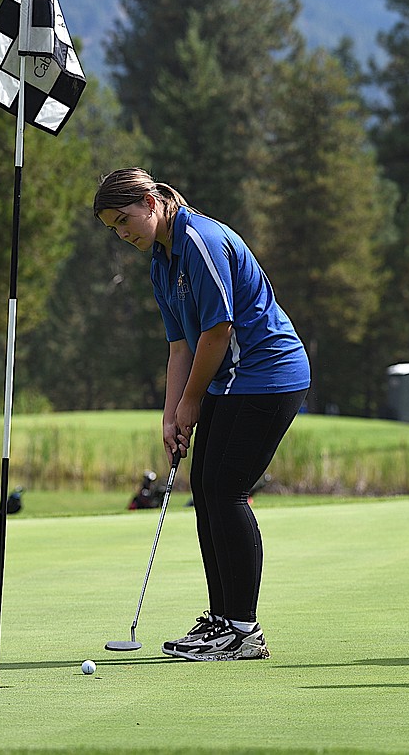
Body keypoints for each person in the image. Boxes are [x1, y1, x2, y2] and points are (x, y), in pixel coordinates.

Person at [94, 168, 310, 661]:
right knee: (207, 491)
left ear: (151, 202)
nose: (123, 233)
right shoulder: (161, 260)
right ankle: (222, 621)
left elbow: (217, 331)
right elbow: (179, 344)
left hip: (267, 375)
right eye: (113, 229)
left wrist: (192, 401)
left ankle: (243, 631)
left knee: (225, 489)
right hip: (230, 379)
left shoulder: (200, 241)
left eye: (126, 219)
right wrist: (170, 415)